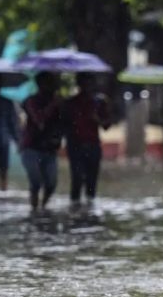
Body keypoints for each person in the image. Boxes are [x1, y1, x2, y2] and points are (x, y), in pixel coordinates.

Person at [64, 73, 111, 213]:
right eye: (85, 84)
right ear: (80, 85)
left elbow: (107, 125)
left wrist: (98, 119)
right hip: (75, 145)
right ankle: (75, 206)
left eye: (90, 84)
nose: (88, 87)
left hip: (93, 145)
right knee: (77, 177)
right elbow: (65, 123)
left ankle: (89, 208)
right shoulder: (70, 103)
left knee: (92, 179)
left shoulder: (99, 102)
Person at [20, 71, 64, 214]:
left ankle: (43, 208)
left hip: (50, 149)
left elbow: (65, 123)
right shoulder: (31, 101)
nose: (52, 86)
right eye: (49, 83)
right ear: (40, 84)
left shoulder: (58, 102)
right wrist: (53, 105)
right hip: (31, 148)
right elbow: (39, 121)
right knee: (36, 181)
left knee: (51, 184)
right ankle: (34, 209)